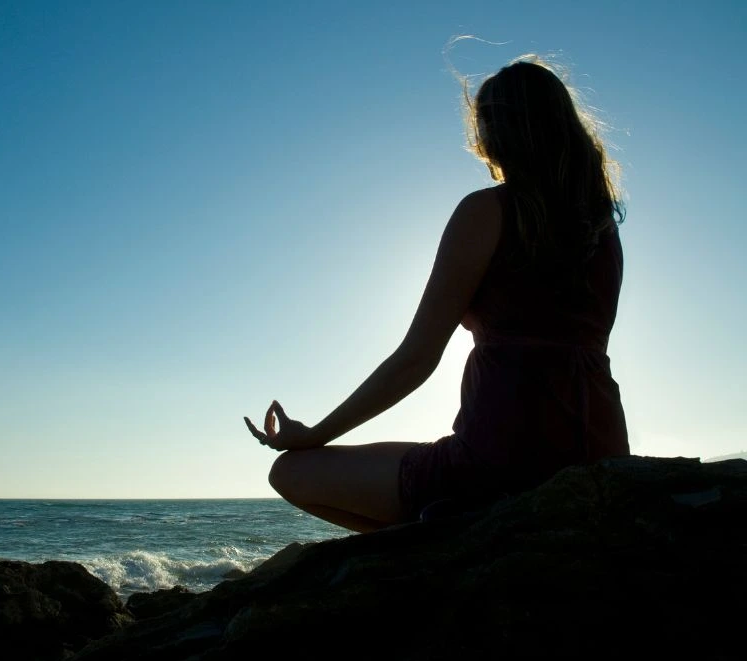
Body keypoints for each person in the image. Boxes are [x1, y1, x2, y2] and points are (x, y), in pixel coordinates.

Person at [244, 58, 630, 533]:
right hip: (601, 447)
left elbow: (416, 358)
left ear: (493, 131)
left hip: (500, 456)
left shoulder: (487, 211)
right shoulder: (602, 228)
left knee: (289, 472)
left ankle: (442, 547)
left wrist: (316, 434)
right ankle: (445, 544)